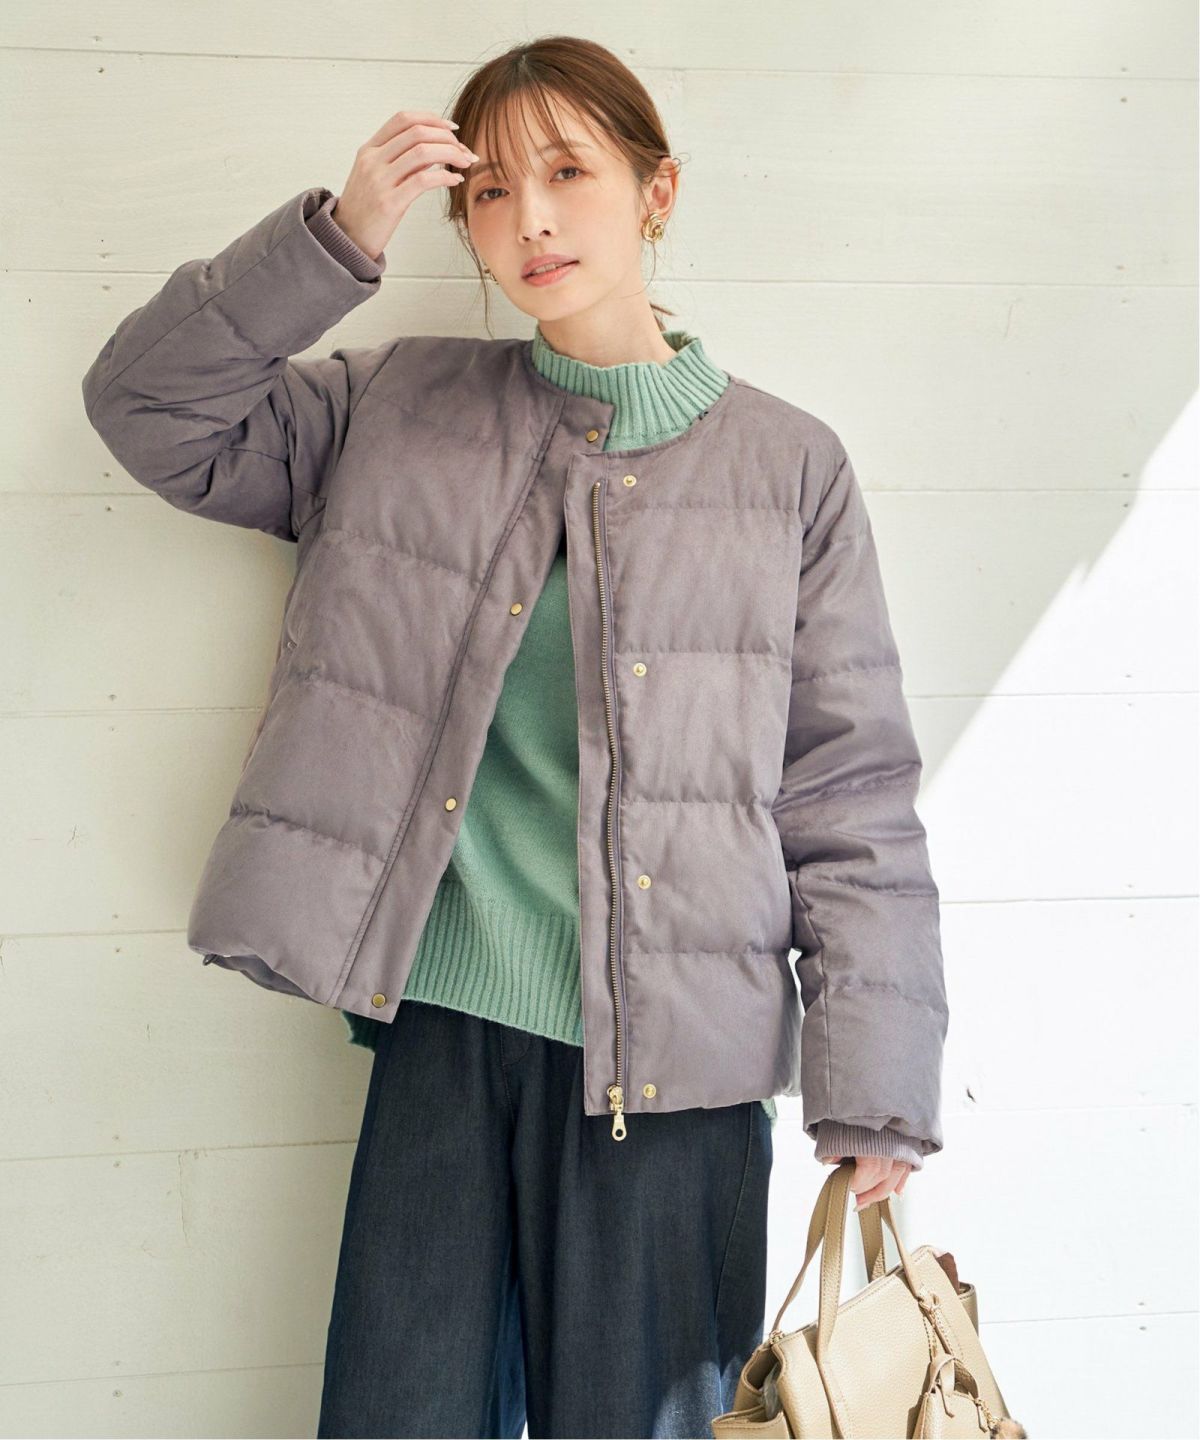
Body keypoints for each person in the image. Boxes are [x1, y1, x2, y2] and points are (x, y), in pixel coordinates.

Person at [81, 34, 946, 1440]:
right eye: (489, 191)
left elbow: (850, 796)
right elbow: (148, 408)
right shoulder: (394, 407)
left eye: (567, 173)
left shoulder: (790, 468)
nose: (529, 219)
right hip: (446, 1039)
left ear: (657, 192)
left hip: (678, 1084)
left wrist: (876, 1095)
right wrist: (339, 235)